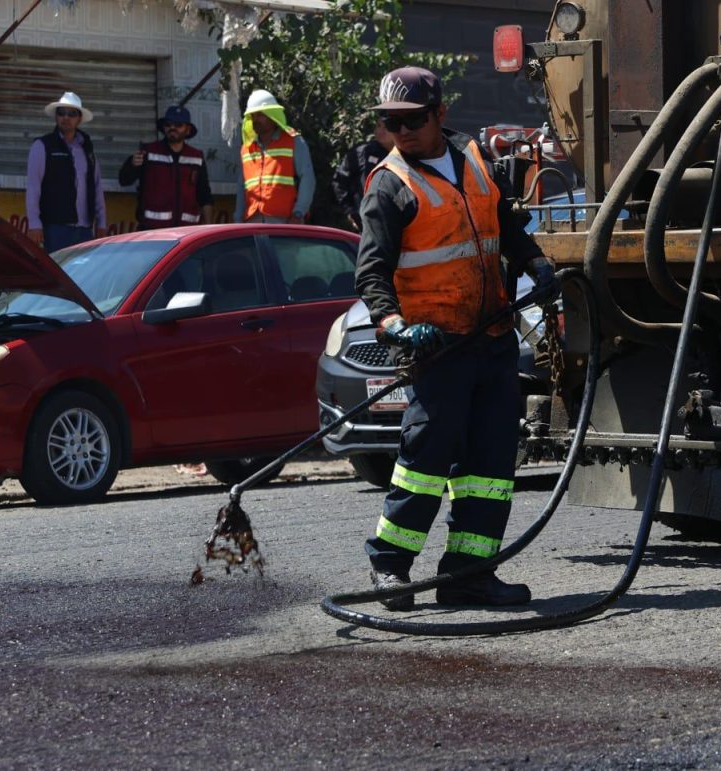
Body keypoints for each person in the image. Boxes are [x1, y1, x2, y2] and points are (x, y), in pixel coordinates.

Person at [355, 66, 559, 611]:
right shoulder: (390, 185)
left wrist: (536, 263)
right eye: (390, 122)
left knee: (489, 470)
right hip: (437, 347)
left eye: (412, 120)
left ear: (440, 114)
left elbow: (504, 226)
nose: (401, 131)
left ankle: (468, 575)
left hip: (492, 337)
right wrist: (396, 326)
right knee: (423, 463)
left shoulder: (473, 157)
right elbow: (371, 274)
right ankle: (390, 566)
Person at [25, 92, 107, 252]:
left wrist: (101, 223)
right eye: (61, 113)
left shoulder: (87, 150)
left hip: (85, 230)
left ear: (79, 119)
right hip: (55, 229)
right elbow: (33, 187)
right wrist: (34, 224)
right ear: (56, 117)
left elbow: (97, 188)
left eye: (72, 114)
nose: (66, 117)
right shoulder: (43, 146)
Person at [119, 104, 214, 229]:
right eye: (168, 124)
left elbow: (204, 195)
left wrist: (208, 227)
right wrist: (132, 164)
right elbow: (124, 180)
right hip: (152, 230)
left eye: (178, 125)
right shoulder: (148, 152)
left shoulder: (196, 157)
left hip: (187, 231)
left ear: (188, 130)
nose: (172, 128)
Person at [233, 89, 314, 224]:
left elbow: (307, 177)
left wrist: (298, 213)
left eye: (260, 115)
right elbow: (242, 187)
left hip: (285, 221)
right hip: (252, 221)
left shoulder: (293, 141)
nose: (255, 119)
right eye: (253, 116)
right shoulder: (246, 149)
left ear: (272, 115)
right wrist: (237, 220)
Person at [331, 118, 394, 231]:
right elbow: (340, 181)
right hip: (363, 222)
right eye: (378, 125)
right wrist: (349, 211)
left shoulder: (406, 156)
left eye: (386, 127)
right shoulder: (362, 153)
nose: (381, 130)